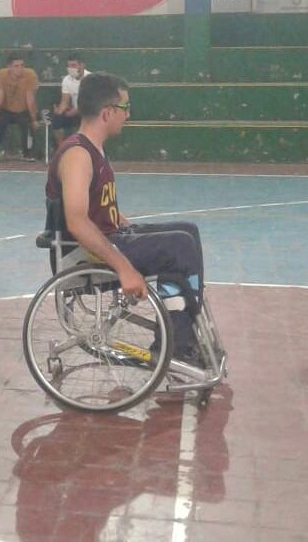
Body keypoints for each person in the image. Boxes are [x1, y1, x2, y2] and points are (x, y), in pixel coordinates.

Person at [45, 72, 206, 362]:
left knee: (187, 232)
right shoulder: (78, 155)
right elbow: (77, 221)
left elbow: (97, 206)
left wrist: (126, 223)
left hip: (108, 239)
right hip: (85, 255)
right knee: (179, 247)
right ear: (107, 113)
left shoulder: (94, 148)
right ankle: (177, 348)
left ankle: (185, 325)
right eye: (125, 108)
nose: (128, 114)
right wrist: (125, 268)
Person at [0, 52, 40, 162]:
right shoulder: (2, 74)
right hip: (6, 109)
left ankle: (28, 153)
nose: (20, 69)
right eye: (16, 66)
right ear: (9, 67)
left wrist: (34, 120)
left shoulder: (30, 75)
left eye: (22, 65)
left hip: (24, 110)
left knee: (27, 125)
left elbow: (30, 99)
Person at [52, 52, 90, 146]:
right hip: (73, 112)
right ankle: (60, 149)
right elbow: (65, 101)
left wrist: (77, 110)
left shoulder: (90, 79)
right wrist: (59, 111)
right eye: (68, 66)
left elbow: (91, 102)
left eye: (73, 65)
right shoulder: (66, 80)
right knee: (57, 120)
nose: (71, 68)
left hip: (88, 112)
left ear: (82, 65)